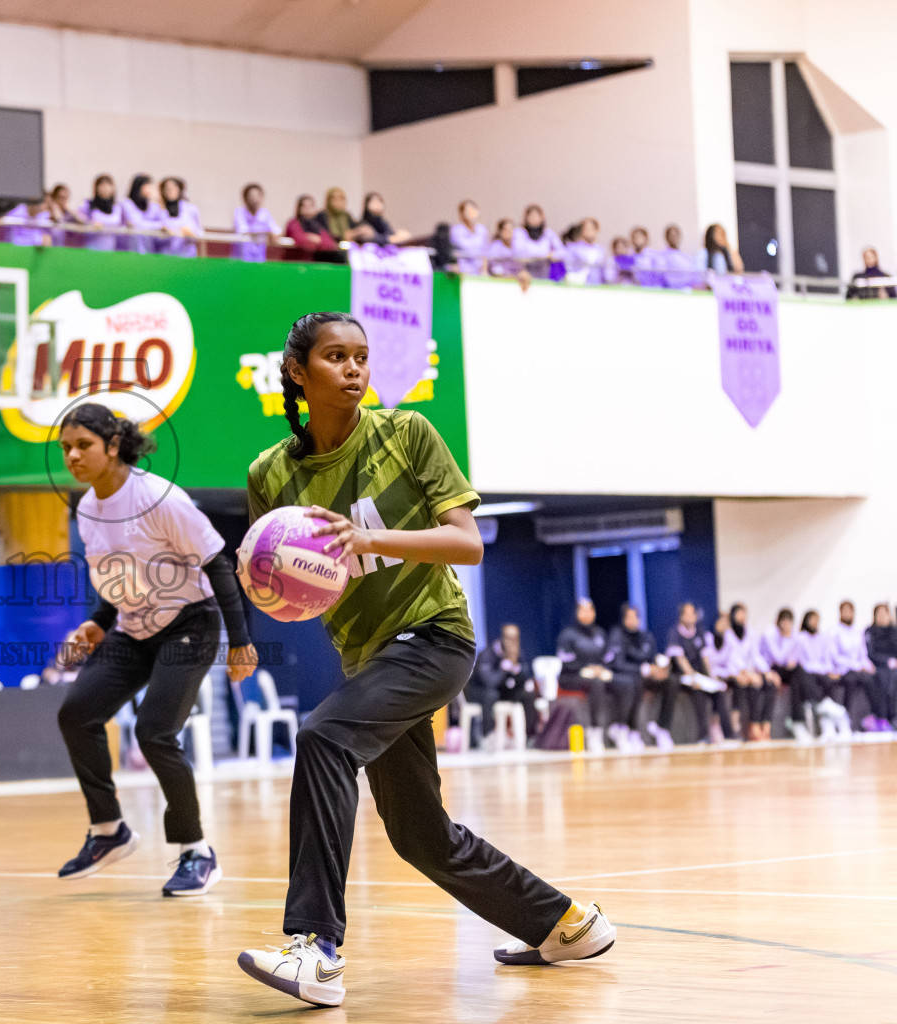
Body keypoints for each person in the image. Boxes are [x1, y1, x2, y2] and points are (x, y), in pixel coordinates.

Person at [237, 311, 613, 1008]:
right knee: (418, 835)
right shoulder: (270, 473)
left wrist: (371, 541)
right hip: (369, 658)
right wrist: (266, 580)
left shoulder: (405, 433)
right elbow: (291, 590)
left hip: (436, 636)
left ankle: (315, 951)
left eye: (361, 357)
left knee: (322, 737)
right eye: (335, 357)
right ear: (297, 372)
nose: (353, 369)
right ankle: (564, 923)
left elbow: (466, 543)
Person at [53, 403, 256, 896]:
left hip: (192, 622)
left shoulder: (161, 499)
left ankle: (196, 852)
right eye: (66, 448)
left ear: (114, 446)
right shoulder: (87, 508)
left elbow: (218, 565)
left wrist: (242, 641)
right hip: (133, 627)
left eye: (84, 445)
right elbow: (117, 575)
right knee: (76, 713)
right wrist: (99, 622)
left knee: (154, 732)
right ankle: (109, 831)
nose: (73, 456)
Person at [557, 598, 633, 747]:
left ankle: (619, 727)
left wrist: (602, 668)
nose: (586, 614)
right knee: (596, 684)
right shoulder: (568, 635)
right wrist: (585, 669)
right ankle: (594, 731)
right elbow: (565, 660)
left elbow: (608, 657)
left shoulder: (599, 633)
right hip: (572, 677)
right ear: (577, 612)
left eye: (590, 610)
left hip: (598, 673)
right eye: (582, 610)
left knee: (626, 682)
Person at [608, 603, 675, 749]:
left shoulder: (646, 637)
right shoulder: (617, 635)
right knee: (633, 682)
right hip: (626, 677)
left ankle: (661, 727)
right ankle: (631, 730)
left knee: (672, 681)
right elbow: (617, 664)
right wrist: (643, 669)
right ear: (623, 619)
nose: (633, 620)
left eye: (635, 617)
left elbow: (652, 658)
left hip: (647, 677)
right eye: (629, 617)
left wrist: (659, 669)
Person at [665, 602, 731, 744]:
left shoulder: (700, 632)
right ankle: (702, 736)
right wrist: (692, 676)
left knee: (718, 692)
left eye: (692, 613)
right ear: (681, 616)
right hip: (683, 676)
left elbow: (705, 658)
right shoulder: (675, 633)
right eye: (687, 613)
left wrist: (712, 676)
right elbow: (680, 659)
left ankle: (727, 734)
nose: (690, 616)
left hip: (700, 676)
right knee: (699, 694)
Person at [713, 604, 776, 741]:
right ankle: (737, 728)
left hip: (748, 672)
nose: (742, 617)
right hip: (731, 672)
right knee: (741, 685)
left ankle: (762, 725)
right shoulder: (727, 634)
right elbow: (728, 658)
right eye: (738, 613)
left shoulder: (751, 632)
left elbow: (755, 656)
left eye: (744, 613)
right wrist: (744, 673)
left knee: (767, 684)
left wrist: (766, 672)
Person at [475, 623, 539, 746]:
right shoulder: (488, 654)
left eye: (516, 638)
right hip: (483, 692)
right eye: (509, 638)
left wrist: (518, 672)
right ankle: (488, 736)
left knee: (528, 694)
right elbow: (490, 682)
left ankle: (530, 737)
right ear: (502, 637)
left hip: (505, 692)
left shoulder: (518, 653)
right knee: (491, 695)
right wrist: (503, 669)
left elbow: (525, 677)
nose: (513, 642)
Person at [795, 610, 851, 738]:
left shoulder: (821, 638)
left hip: (821, 671)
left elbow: (826, 658)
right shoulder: (801, 638)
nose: (814, 623)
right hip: (809, 671)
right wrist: (821, 670)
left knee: (831, 680)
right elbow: (803, 662)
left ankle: (829, 719)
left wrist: (829, 670)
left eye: (816, 620)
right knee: (805, 679)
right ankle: (823, 708)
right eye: (812, 620)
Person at [830, 600, 883, 731]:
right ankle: (846, 717)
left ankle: (875, 717)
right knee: (851, 679)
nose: (848, 614)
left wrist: (869, 666)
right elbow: (834, 656)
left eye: (850, 611)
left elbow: (862, 654)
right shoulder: (834, 631)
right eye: (845, 611)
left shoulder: (857, 631)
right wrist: (855, 665)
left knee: (875, 678)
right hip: (843, 669)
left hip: (859, 668)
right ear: (840, 613)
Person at [760, 607, 804, 735]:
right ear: (778, 622)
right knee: (770, 686)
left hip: (786, 670)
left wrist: (793, 661)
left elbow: (796, 656)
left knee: (798, 677)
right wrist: (787, 638)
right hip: (770, 669)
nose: (786, 625)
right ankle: (765, 726)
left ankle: (797, 722)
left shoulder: (795, 634)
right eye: (783, 621)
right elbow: (779, 658)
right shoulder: (771, 633)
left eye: (789, 621)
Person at [865, 603, 897, 732]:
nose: (882, 617)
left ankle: (894, 716)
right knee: (884, 679)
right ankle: (883, 718)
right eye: (879, 614)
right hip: (878, 665)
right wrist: (887, 661)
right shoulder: (870, 631)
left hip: (894, 665)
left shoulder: (894, 631)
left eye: (885, 613)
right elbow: (870, 653)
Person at [118, 173, 166, 255]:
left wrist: (160, 201)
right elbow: (137, 224)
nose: (151, 189)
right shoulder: (127, 203)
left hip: (149, 250)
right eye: (149, 186)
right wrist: (159, 226)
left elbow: (165, 222)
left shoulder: (153, 205)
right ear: (140, 186)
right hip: (130, 249)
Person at [232, 183, 280, 263]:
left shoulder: (265, 213)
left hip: (259, 259)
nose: (254, 199)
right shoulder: (239, 212)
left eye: (257, 196)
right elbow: (243, 231)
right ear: (245, 198)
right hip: (241, 259)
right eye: (251, 196)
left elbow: (276, 231)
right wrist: (267, 232)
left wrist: (272, 234)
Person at [512, 204, 562, 279]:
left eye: (537, 216)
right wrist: (543, 254)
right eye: (531, 216)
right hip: (525, 272)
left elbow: (562, 252)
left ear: (542, 218)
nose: (534, 219)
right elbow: (517, 253)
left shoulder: (548, 233)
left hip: (544, 272)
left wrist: (552, 254)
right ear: (526, 218)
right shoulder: (520, 232)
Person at [285, 195, 340, 263]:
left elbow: (330, 243)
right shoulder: (294, 223)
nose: (307, 208)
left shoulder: (317, 224)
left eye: (310, 206)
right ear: (298, 208)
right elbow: (300, 240)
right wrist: (315, 241)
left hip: (315, 261)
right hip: (297, 261)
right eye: (304, 206)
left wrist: (318, 240)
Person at [79, 174, 126, 252]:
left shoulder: (117, 207)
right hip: (92, 248)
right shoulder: (89, 204)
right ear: (96, 188)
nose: (105, 188)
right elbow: (78, 216)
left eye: (108, 185)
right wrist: (89, 222)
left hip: (111, 249)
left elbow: (123, 226)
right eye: (102, 185)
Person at [159, 176, 201, 258]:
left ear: (180, 189)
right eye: (167, 188)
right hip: (165, 255)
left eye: (174, 188)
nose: (170, 191)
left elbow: (199, 233)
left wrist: (188, 232)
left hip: (186, 254)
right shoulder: (159, 209)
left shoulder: (191, 209)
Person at [562, 218, 605, 285]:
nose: (590, 231)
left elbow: (601, 270)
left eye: (593, 228)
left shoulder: (600, 250)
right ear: (581, 230)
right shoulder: (573, 247)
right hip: (578, 285)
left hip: (596, 285)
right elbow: (568, 267)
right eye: (587, 228)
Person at [450, 199, 488, 274]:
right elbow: (452, 252)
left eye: (474, 210)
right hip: (462, 271)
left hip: (478, 272)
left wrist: (484, 270)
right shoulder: (456, 231)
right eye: (469, 211)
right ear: (462, 214)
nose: (472, 213)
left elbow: (485, 252)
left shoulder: (482, 230)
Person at [46, 182, 86, 247]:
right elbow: (59, 220)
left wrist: (69, 210)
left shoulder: (69, 214)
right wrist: (54, 207)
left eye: (66, 197)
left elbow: (84, 221)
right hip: (53, 247)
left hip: (66, 248)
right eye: (61, 197)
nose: (64, 200)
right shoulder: (49, 213)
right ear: (55, 198)